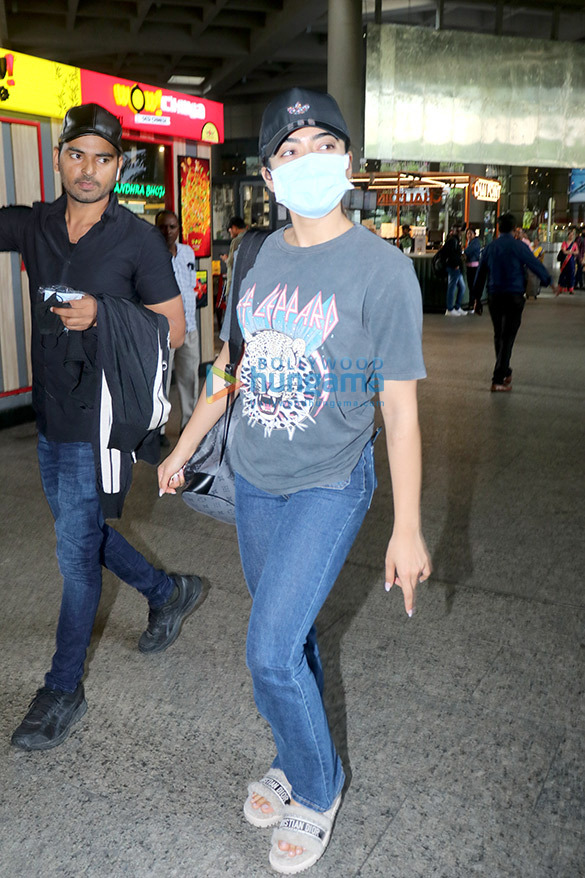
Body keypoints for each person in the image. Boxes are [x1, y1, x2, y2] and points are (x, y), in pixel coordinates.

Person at [158, 87, 431, 874]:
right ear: (270, 177)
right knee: (293, 635)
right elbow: (230, 370)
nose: (308, 159)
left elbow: (401, 412)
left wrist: (407, 526)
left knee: (268, 650)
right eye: (288, 150)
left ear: (346, 161)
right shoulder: (256, 255)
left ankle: (317, 788)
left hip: (327, 480)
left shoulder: (383, 271)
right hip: (256, 477)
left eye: (323, 144)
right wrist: (186, 445)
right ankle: (292, 754)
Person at [3, 104, 203, 752]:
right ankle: (166, 590)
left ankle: (64, 688)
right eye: (77, 154)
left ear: (119, 166)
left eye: (103, 158)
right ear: (60, 158)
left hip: (101, 421)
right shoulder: (36, 226)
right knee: (79, 534)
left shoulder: (136, 239)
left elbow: (172, 327)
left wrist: (104, 313)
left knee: (72, 552)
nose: (88, 169)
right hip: (52, 413)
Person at [473, 212, 554, 392]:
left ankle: (505, 370)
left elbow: (481, 274)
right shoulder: (519, 247)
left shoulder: (490, 247)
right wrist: (548, 280)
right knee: (508, 337)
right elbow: (534, 263)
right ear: (514, 228)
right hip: (514, 296)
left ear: (498, 228)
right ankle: (498, 379)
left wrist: (477, 298)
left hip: (494, 296)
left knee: (499, 335)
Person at [156, 209, 201, 432]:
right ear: (156, 229)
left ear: (178, 229)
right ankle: (160, 429)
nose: (168, 231)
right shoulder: (151, 255)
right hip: (164, 330)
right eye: (163, 227)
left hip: (190, 327)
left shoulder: (188, 253)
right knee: (161, 381)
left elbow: (191, 287)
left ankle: (188, 425)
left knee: (190, 377)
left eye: (172, 227)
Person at [443, 226, 467, 316]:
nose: (461, 233)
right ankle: (450, 308)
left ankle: (456, 307)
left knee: (461, 287)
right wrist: (455, 264)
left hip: (456, 267)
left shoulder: (454, 240)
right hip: (454, 267)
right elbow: (451, 254)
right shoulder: (453, 241)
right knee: (452, 287)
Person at [223, 215, 247, 301]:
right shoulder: (251, 237)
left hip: (234, 284)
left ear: (234, 228)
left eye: (230, 229)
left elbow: (231, 262)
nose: (230, 231)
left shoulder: (236, 241)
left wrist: (226, 259)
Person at [463, 228, 482, 314]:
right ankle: (472, 304)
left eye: (470, 233)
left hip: (473, 267)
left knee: (473, 286)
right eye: (467, 234)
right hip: (470, 266)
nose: (469, 235)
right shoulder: (470, 242)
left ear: (474, 234)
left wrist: (464, 253)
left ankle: (473, 304)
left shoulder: (475, 242)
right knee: (471, 286)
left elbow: (468, 251)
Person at [557, 227, 579, 294]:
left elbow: (577, 252)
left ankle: (571, 289)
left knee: (571, 274)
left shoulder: (574, 244)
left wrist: (570, 252)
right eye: (570, 235)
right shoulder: (564, 243)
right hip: (564, 261)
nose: (571, 236)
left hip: (571, 261)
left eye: (572, 235)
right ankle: (561, 288)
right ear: (568, 235)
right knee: (563, 274)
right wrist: (571, 252)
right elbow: (564, 251)